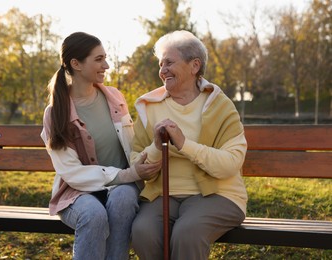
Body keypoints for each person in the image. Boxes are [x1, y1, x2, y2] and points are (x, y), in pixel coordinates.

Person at [40, 32, 161, 260]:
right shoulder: (55, 113)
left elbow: (131, 143)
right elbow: (72, 173)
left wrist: (139, 165)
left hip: (123, 186)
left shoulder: (114, 97)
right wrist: (128, 174)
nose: (106, 65)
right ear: (75, 64)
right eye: (98, 59)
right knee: (93, 215)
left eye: (105, 58)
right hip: (78, 192)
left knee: (123, 199)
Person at [130, 30, 248, 260]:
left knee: (188, 233)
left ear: (195, 66)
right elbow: (136, 159)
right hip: (164, 195)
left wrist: (185, 145)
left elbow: (230, 164)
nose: (162, 70)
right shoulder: (149, 108)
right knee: (142, 231)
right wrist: (155, 147)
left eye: (169, 63)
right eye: (160, 64)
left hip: (218, 194)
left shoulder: (220, 106)